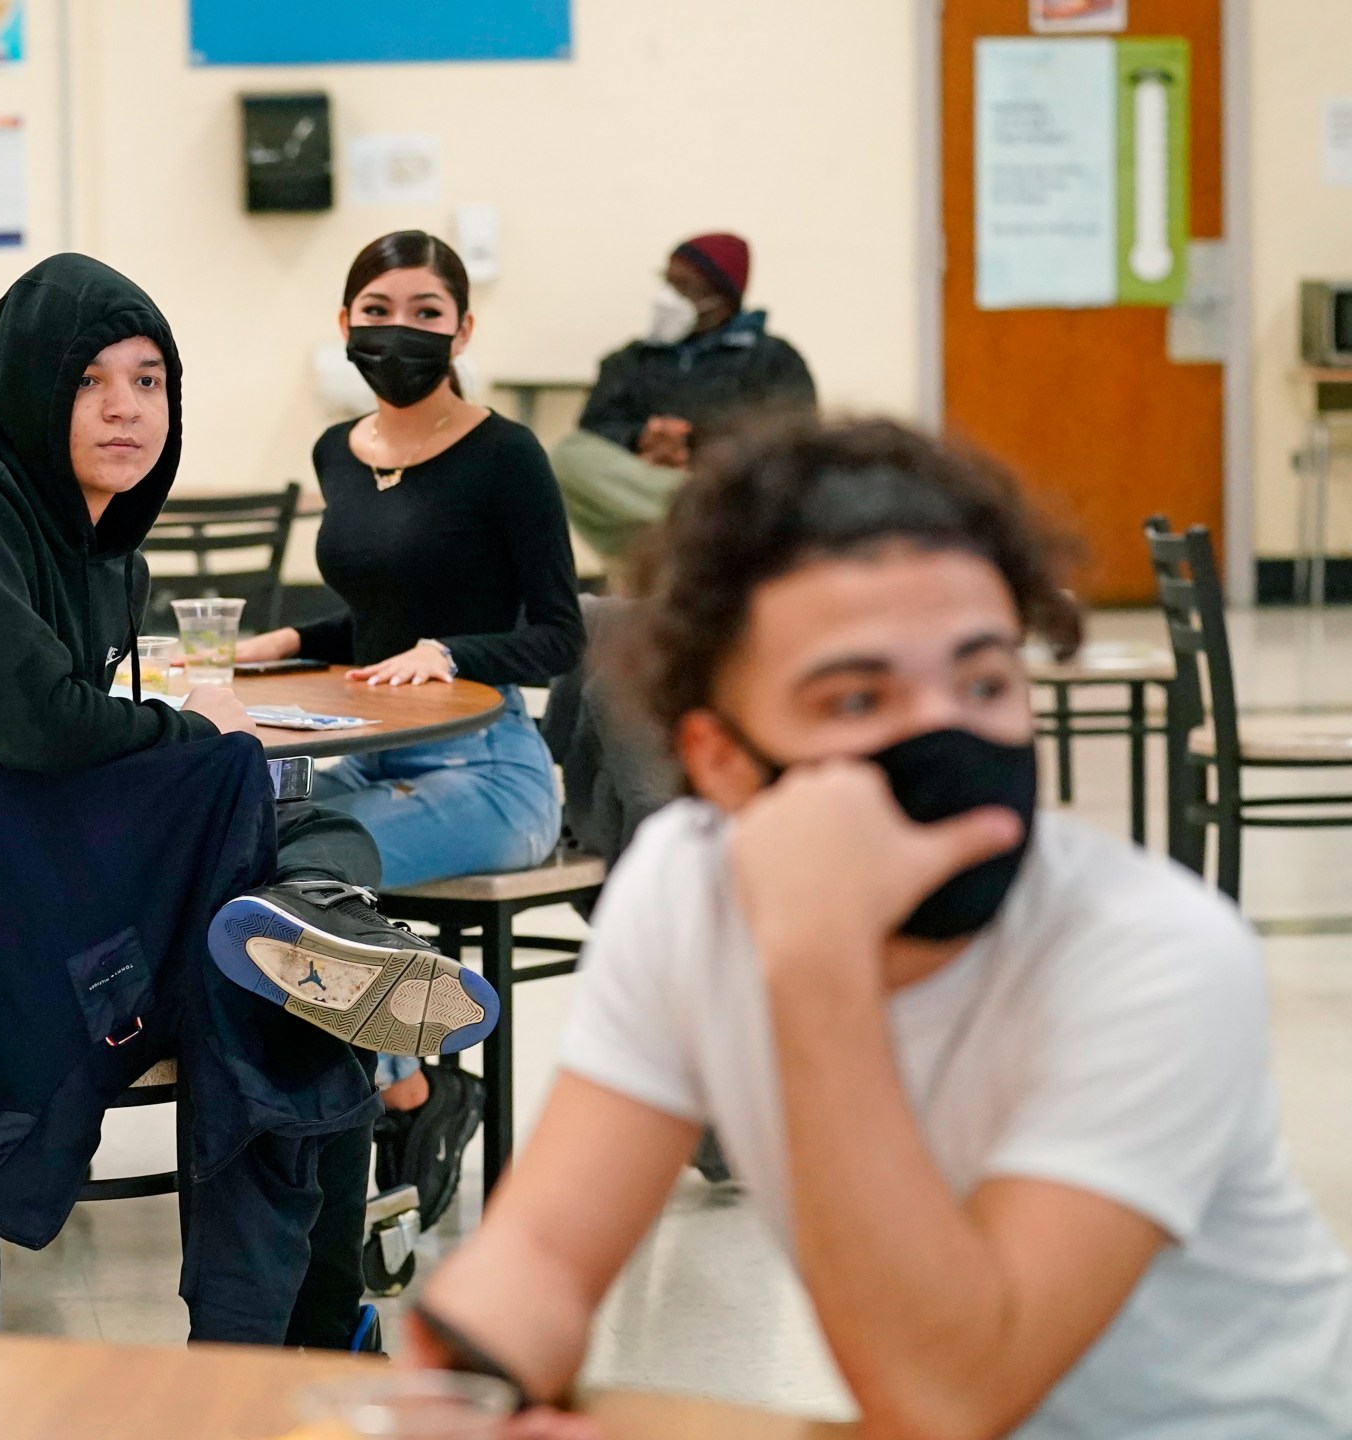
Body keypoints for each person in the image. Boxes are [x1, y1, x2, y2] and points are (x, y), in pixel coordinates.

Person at [408, 419, 1352, 1438]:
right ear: (720, 761)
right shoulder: (686, 884)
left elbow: (950, 1401)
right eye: (858, 696)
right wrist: (463, 1386)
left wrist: (815, 961)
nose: (942, 730)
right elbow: (543, 1255)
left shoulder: (1150, 948)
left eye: (984, 682)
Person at [0, 252, 502, 1345]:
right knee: (259, 833)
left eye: (149, 381)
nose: (124, 409)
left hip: (2, 876)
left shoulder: (110, 560)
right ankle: (292, 1341)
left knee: (292, 996)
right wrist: (202, 746)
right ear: (26, 388)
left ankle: (293, 1334)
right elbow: (37, 725)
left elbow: (62, 761)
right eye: (90, 380)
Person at [233, 232, 582, 1223]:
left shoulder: (506, 456)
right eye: (376, 309)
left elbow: (557, 633)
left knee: (305, 882)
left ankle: (395, 1088)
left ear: (462, 329)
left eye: (426, 314)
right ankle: (411, 1088)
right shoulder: (334, 453)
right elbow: (379, 618)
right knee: (239, 836)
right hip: (363, 752)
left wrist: (455, 653)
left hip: (484, 768)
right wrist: (293, 637)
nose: (399, 331)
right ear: (343, 325)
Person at [550, 233, 815, 563]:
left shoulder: (772, 358)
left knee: (773, 481)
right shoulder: (631, 359)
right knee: (568, 454)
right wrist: (642, 439)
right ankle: (694, 530)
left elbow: (794, 438)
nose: (667, 297)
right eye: (667, 282)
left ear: (722, 297)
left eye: (684, 287)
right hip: (646, 484)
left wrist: (691, 446)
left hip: (723, 481)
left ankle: (689, 532)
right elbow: (597, 424)